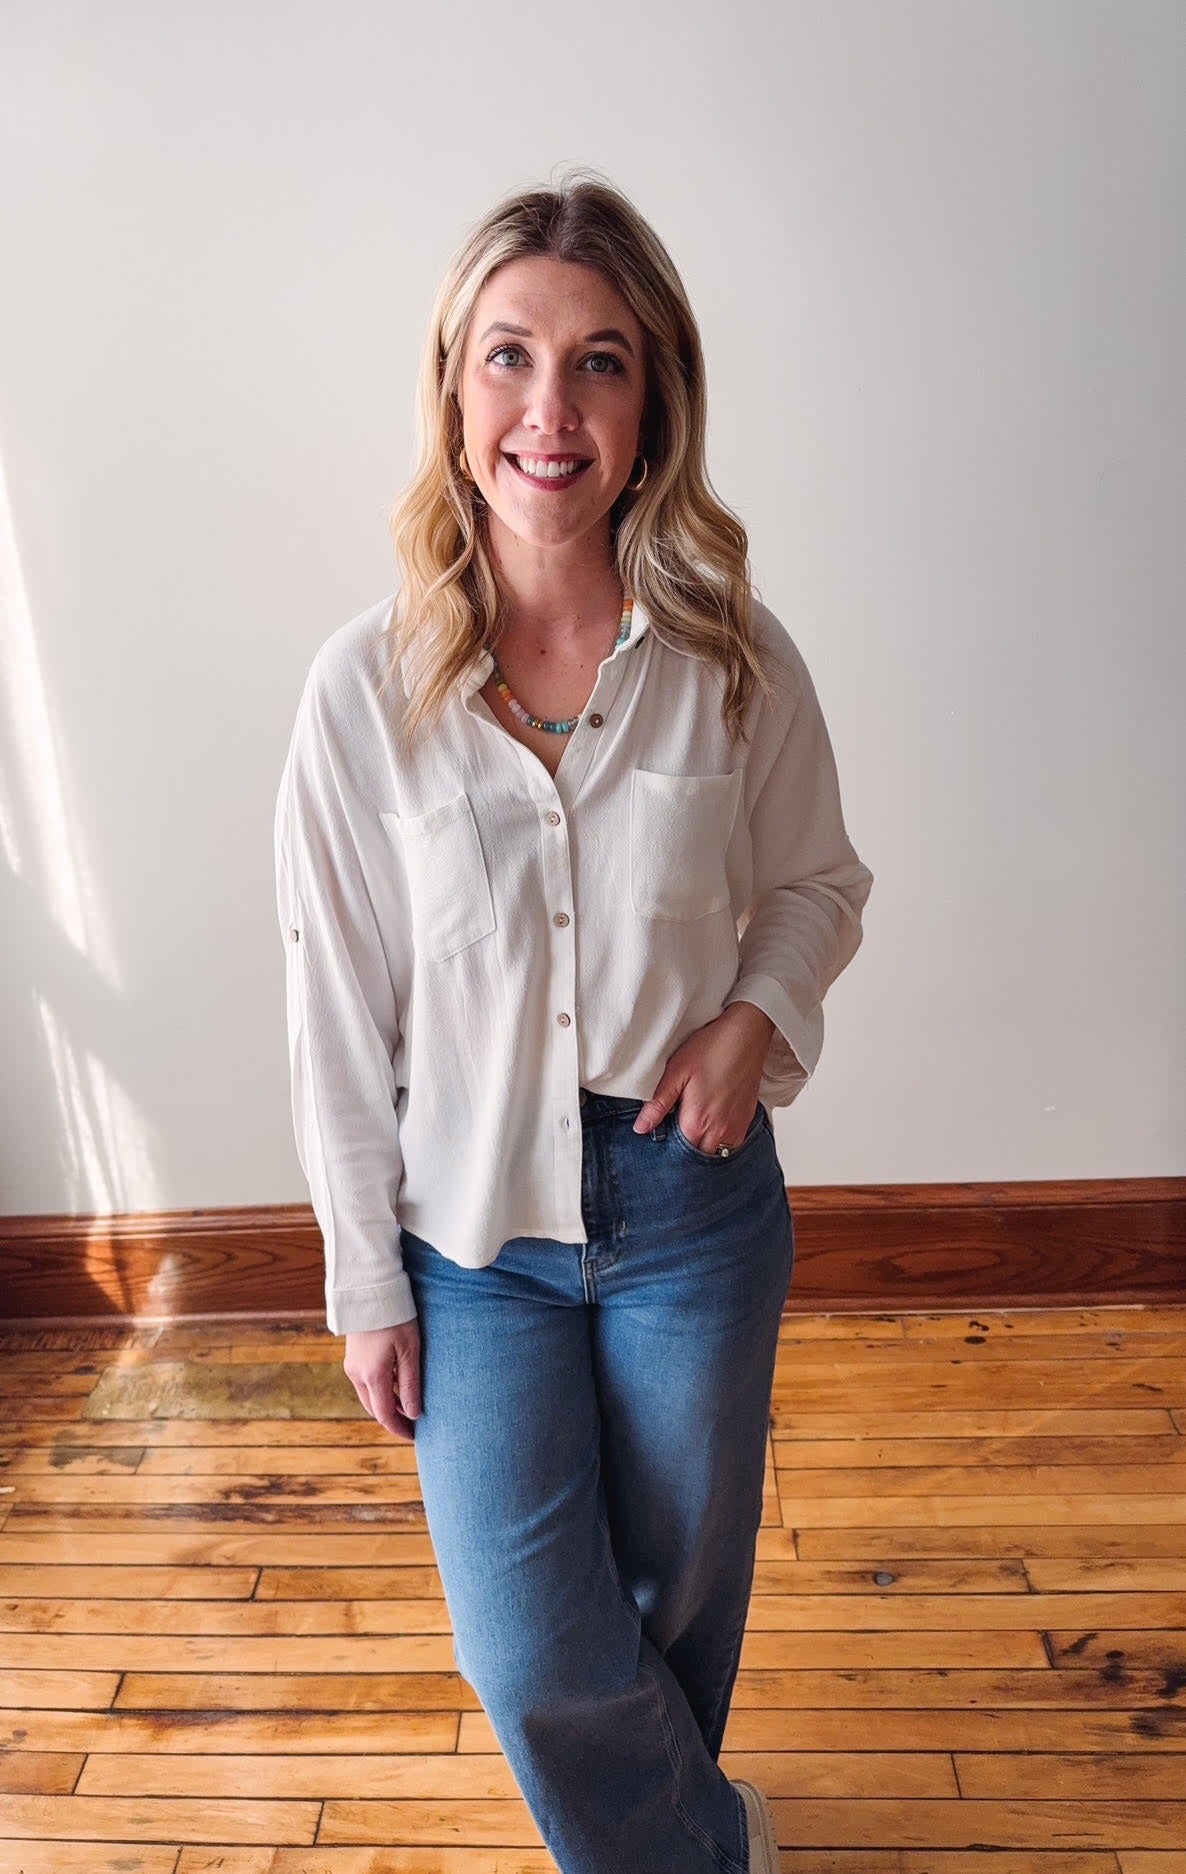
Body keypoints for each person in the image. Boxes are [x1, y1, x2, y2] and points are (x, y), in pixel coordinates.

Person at [274, 167, 873, 1874]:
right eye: (509, 356)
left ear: (653, 401)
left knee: (678, 1612)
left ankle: (678, 1830)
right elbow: (332, 1004)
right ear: (453, 387)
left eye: (600, 361)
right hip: (470, 1235)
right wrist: (361, 1283)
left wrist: (756, 1018)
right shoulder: (359, 695)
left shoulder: (733, 657)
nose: (551, 409)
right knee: (532, 1652)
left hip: (690, 1206)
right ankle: (699, 1850)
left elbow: (820, 883)